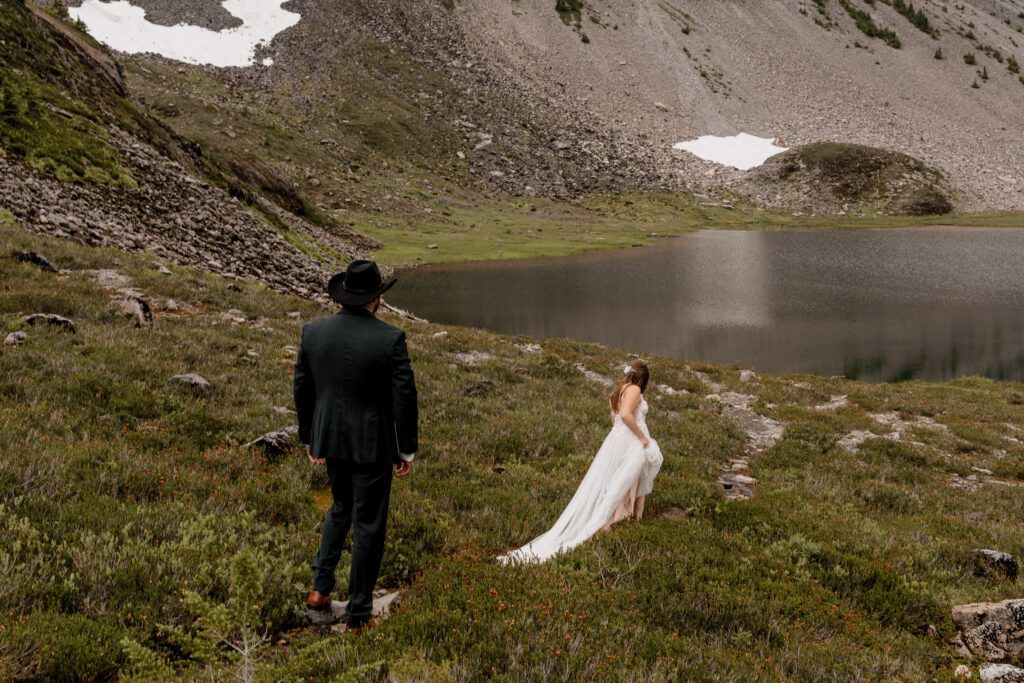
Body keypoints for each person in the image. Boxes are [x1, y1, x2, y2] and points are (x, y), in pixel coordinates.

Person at [294, 260, 418, 631]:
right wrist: (406, 448)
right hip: (373, 444)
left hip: (330, 440)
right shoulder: (390, 339)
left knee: (340, 507)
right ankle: (361, 609)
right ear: (375, 299)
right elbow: (404, 397)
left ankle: (320, 589)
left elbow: (303, 387)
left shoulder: (313, 331)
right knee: (369, 523)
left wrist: (309, 437)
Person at [499, 359, 663, 564]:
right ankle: (617, 522)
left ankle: (630, 519)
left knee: (624, 480)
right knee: (625, 481)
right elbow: (625, 415)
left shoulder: (620, 389)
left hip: (618, 440)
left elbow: (615, 419)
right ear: (642, 378)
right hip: (631, 441)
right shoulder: (634, 391)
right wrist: (642, 438)